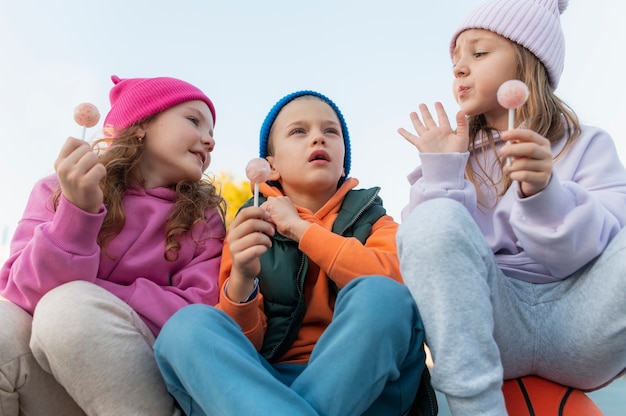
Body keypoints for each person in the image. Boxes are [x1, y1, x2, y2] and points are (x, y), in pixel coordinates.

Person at [395, 0, 626, 414]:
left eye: (479, 53)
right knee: (430, 219)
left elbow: (608, 250)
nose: (460, 68)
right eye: (455, 61)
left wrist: (544, 195)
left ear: (528, 62)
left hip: (582, 324)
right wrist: (444, 174)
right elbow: (431, 258)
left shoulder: (589, 144)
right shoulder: (455, 154)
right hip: (493, 327)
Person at [154, 90, 436, 415]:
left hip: (370, 385)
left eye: (331, 131)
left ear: (343, 158)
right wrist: (243, 280)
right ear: (270, 166)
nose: (318, 137)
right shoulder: (250, 228)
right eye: (299, 131)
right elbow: (246, 345)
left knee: (382, 293)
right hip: (266, 386)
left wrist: (301, 230)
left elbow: (397, 289)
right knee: (185, 327)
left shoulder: (377, 221)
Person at [0, 74, 225, 415]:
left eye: (212, 133)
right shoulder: (55, 189)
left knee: (67, 309)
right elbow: (19, 293)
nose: (208, 141)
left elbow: (199, 313)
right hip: (52, 384)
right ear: (140, 126)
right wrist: (77, 213)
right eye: (194, 121)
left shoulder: (203, 218)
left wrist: (91, 295)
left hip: (142, 385)